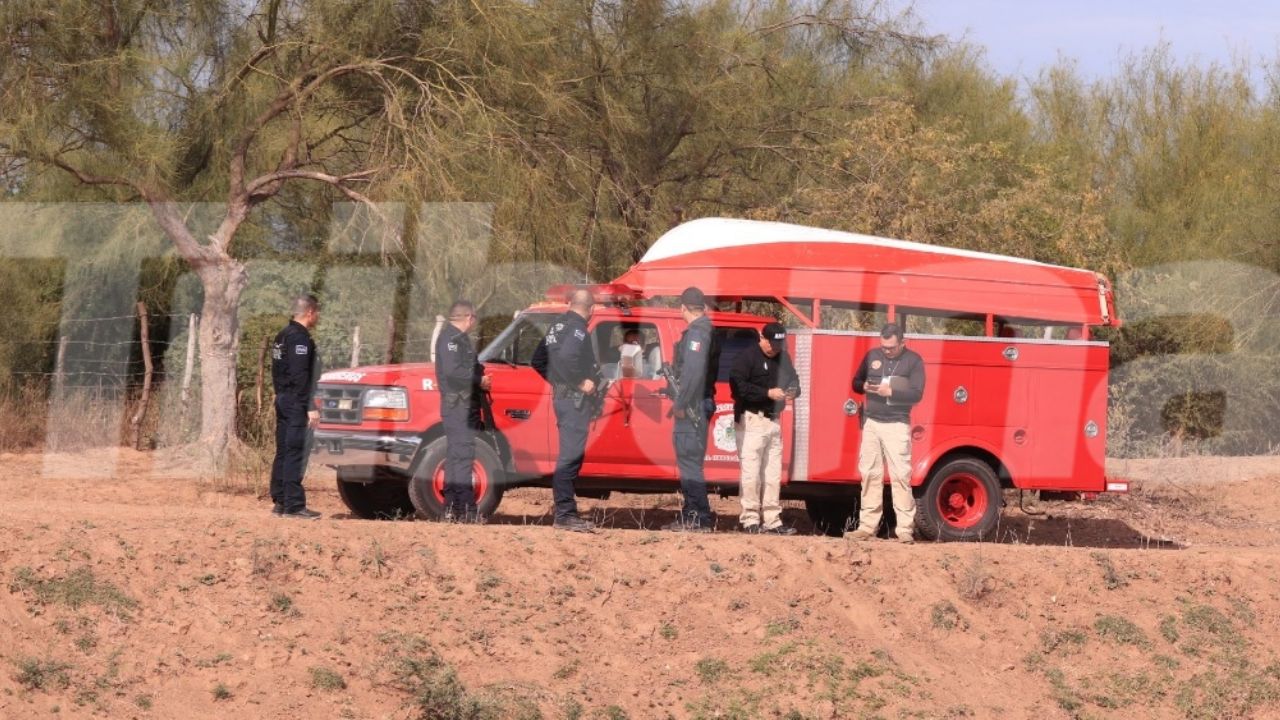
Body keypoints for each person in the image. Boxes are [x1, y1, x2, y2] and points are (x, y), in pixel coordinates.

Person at [849, 323, 926, 542]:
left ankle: (904, 529)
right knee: (870, 474)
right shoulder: (872, 355)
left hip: (896, 423)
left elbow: (917, 394)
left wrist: (890, 391)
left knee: (900, 475)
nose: (886, 351)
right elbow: (855, 381)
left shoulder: (914, 361)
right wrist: (864, 386)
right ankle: (867, 526)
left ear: (902, 343)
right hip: (872, 422)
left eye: (891, 347)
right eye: (883, 347)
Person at [533, 288, 599, 533]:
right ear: (591, 309)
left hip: (563, 398)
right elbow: (569, 359)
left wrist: (559, 383)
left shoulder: (556, 327)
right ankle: (564, 514)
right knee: (570, 457)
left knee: (568, 455)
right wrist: (579, 383)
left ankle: (565, 511)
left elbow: (538, 360)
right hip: (573, 402)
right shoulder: (578, 329)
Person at [729, 322, 800, 535]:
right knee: (751, 472)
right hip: (752, 419)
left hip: (774, 421)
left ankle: (772, 520)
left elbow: (794, 379)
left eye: (779, 344)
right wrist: (767, 393)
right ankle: (750, 518)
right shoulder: (746, 357)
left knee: (772, 473)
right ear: (762, 338)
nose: (776, 348)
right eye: (772, 343)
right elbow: (738, 387)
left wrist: (793, 391)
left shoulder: (782, 356)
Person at [664, 287, 721, 532]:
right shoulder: (706, 330)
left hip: (692, 405)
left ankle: (698, 517)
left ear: (683, 308)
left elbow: (693, 373)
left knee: (689, 462)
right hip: (696, 402)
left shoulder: (698, 333)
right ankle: (691, 515)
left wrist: (680, 403)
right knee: (690, 460)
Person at [434, 300, 492, 523]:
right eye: (474, 319)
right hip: (458, 406)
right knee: (462, 457)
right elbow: (452, 371)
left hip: (463, 406)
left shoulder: (459, 340)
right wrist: (480, 380)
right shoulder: (450, 339)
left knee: (456, 456)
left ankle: (453, 509)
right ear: (469, 317)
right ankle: (466, 509)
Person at [270, 294, 323, 520]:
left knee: (283, 449)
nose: (318, 317)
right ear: (310, 312)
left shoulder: (282, 335)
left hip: (283, 398)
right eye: (317, 312)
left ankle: (281, 501)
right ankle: (293, 505)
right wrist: (309, 406)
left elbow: (277, 371)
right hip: (295, 402)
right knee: (295, 451)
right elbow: (300, 376)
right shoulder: (300, 339)